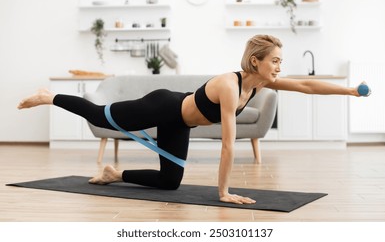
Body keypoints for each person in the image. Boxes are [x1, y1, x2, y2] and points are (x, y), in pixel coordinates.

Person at [18, 35, 364, 205]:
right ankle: (49, 97)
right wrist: (224, 192)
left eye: (280, 60)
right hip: (162, 105)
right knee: (101, 117)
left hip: (179, 122)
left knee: (171, 183)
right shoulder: (231, 85)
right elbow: (228, 144)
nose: (279, 66)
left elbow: (306, 85)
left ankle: (114, 174)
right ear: (255, 61)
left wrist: (347, 92)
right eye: (274, 60)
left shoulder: (262, 83)